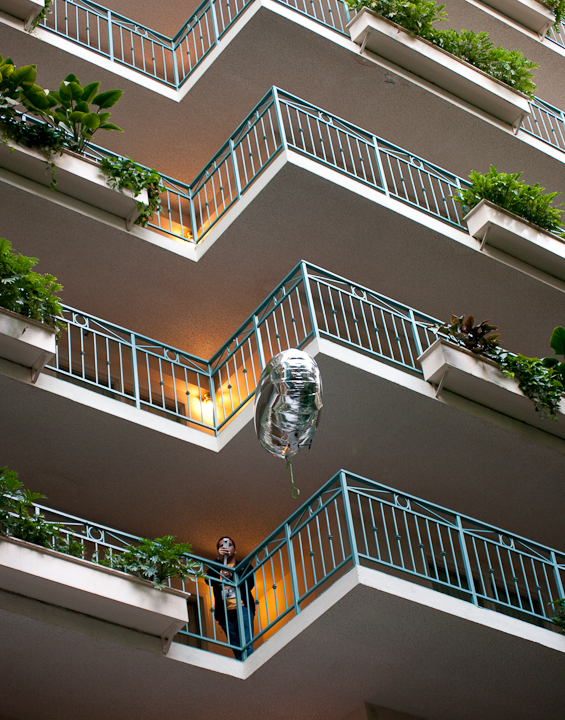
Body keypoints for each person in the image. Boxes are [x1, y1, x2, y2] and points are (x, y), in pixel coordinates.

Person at [208, 536, 255, 660]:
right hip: (225, 614)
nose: (225, 547)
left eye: (229, 545)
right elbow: (209, 580)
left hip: (243, 608)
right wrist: (218, 561)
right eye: (221, 546)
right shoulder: (216, 567)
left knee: (247, 644)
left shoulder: (244, 566)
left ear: (235, 550)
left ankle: (248, 664)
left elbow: (250, 583)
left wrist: (234, 575)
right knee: (236, 647)